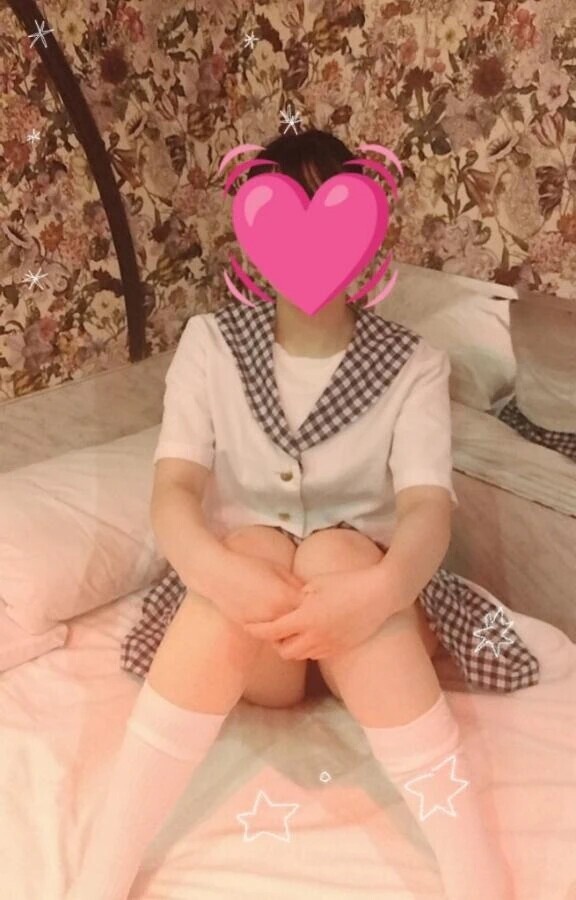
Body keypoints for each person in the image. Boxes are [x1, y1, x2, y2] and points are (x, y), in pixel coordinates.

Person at [68, 128, 529, 900]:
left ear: (369, 229)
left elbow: (426, 509)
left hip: (372, 611)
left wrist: (380, 590)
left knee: (337, 551)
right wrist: (219, 572)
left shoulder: (414, 364)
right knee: (251, 546)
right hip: (259, 631)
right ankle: (104, 869)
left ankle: (474, 872)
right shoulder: (211, 346)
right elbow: (174, 492)